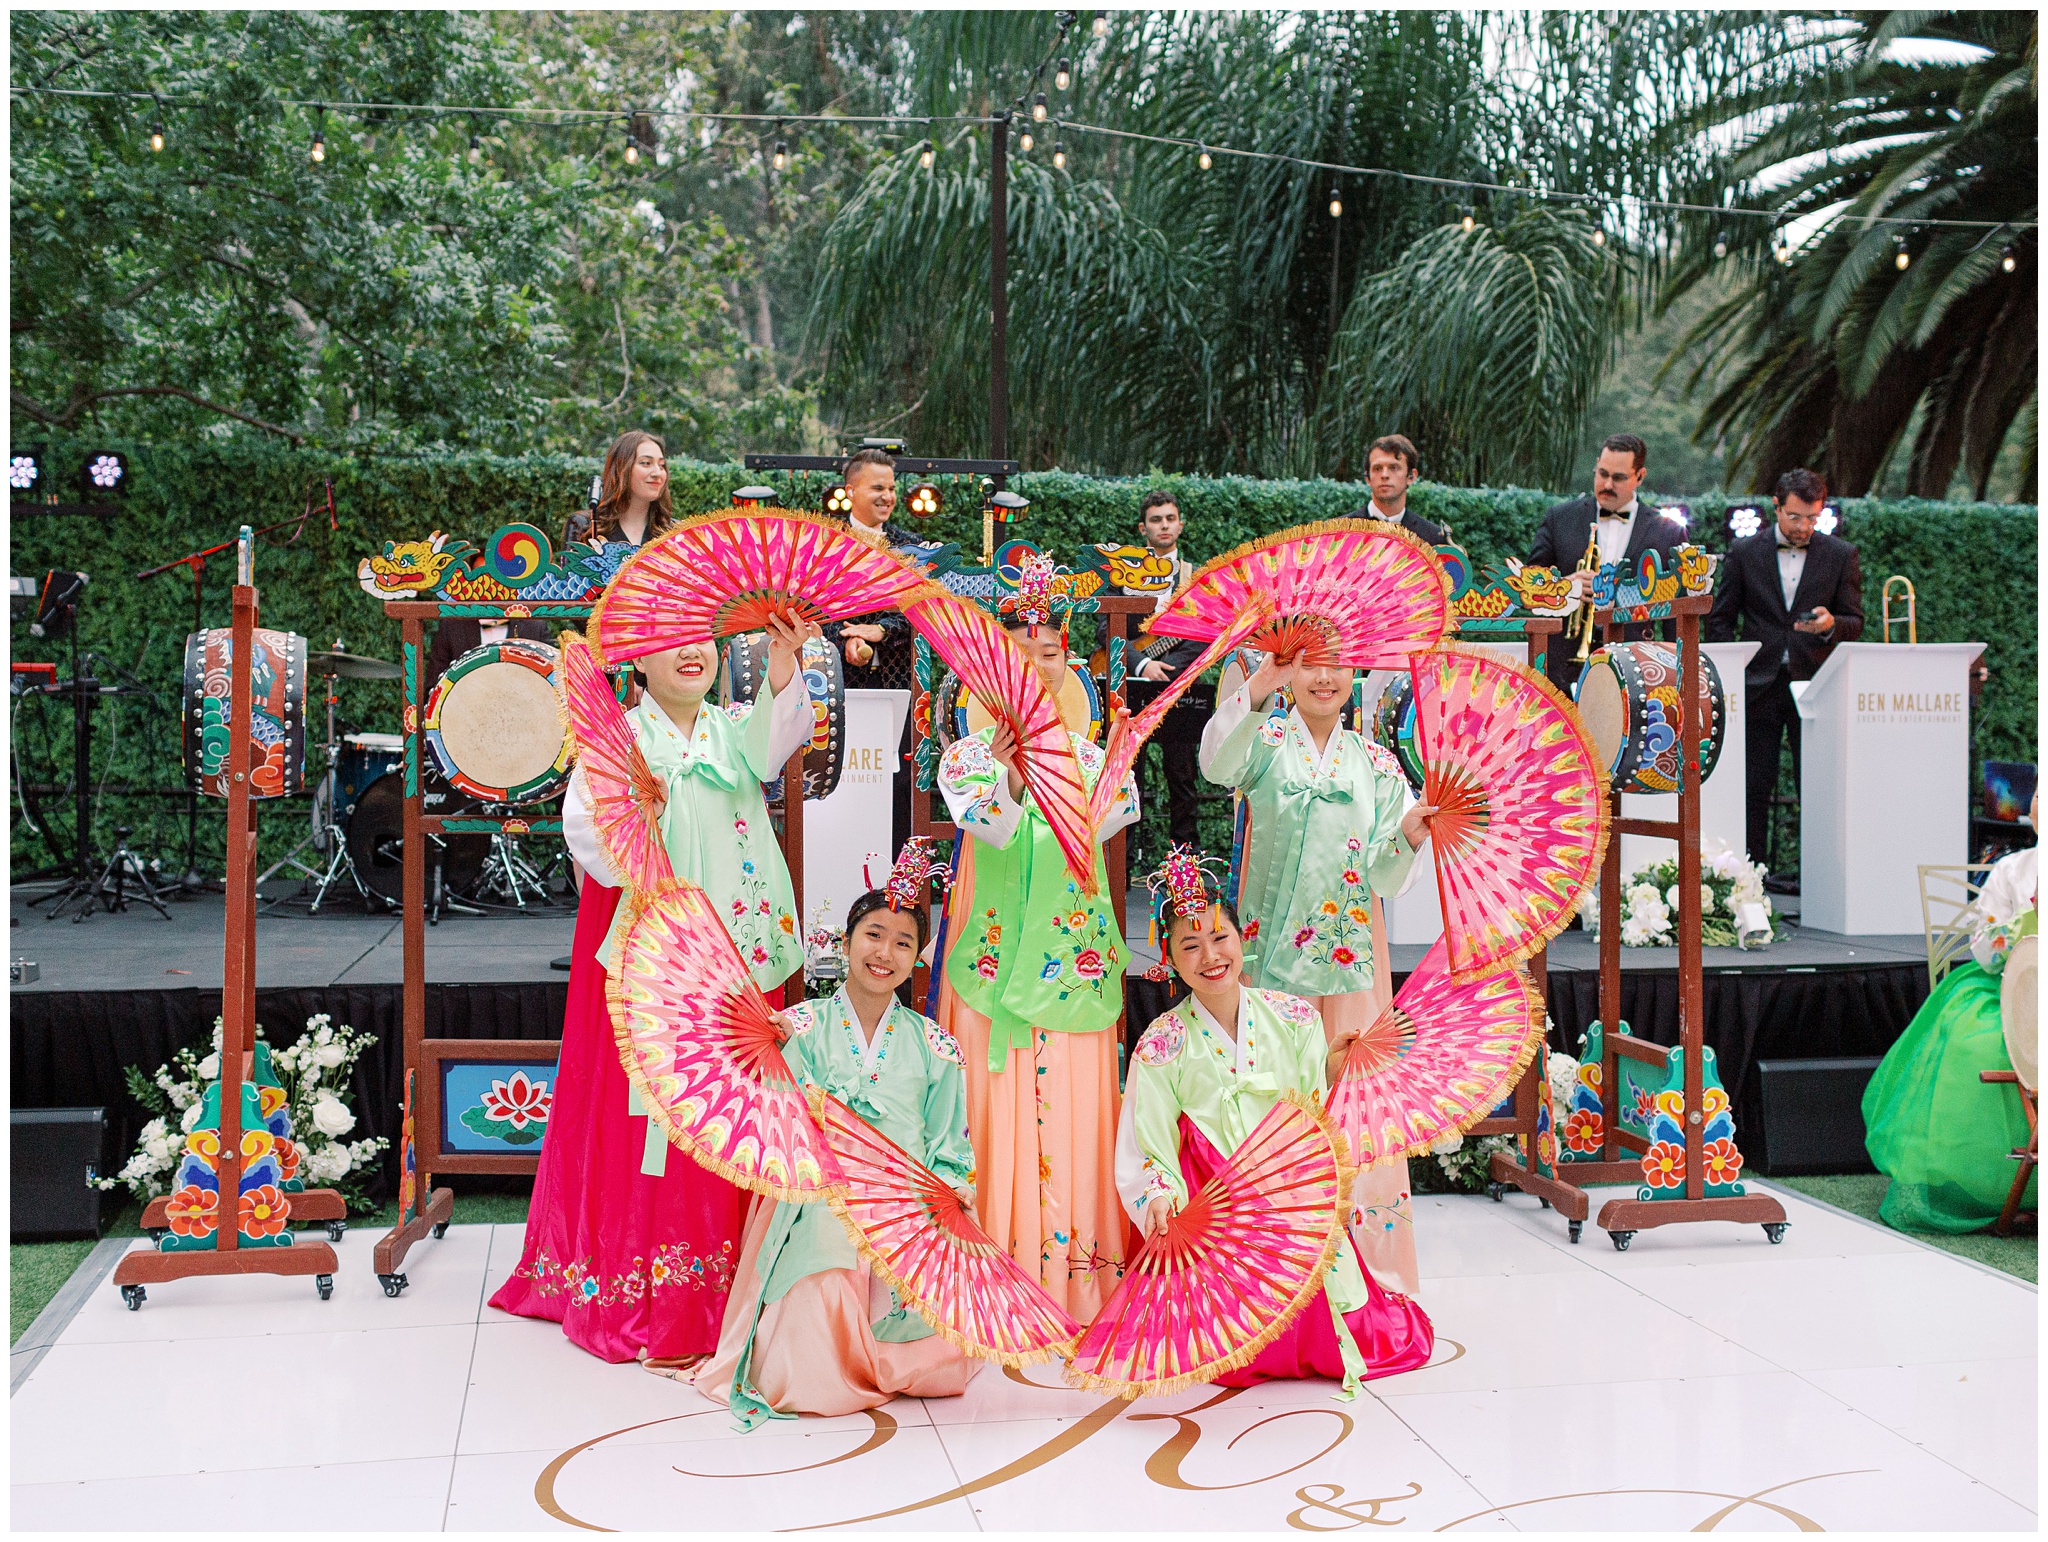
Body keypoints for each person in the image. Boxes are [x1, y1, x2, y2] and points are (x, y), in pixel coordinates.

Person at [489, 611, 818, 1368]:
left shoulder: (733, 729)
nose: (691, 653)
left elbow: (778, 739)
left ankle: (739, 1273)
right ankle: (648, 1279)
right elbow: (588, 842)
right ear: (638, 663)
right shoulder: (619, 741)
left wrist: (780, 658)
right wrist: (636, 815)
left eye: (700, 639)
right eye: (669, 643)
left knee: (735, 1105)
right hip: (659, 961)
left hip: (735, 953)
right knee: (657, 1120)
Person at [1117, 850, 1434, 1394]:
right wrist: (1160, 1194)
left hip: (1290, 1197)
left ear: (1243, 942)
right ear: (1169, 957)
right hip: (1217, 1212)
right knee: (1224, 1343)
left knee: (1350, 1331)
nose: (1210, 956)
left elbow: (1315, 1116)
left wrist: (1333, 1070)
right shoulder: (1162, 1042)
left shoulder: (1295, 1018)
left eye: (1221, 939)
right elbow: (1148, 1138)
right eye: (1189, 945)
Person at [696, 843, 979, 1428]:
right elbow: (774, 1118)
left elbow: (950, 1144)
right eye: (873, 935)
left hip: (905, 1190)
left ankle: (894, 1362)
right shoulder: (798, 1026)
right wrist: (768, 1051)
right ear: (845, 943)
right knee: (826, 1258)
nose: (886, 953)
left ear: (917, 959)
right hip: (820, 1184)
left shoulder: (938, 1047)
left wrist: (948, 1191)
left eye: (904, 943)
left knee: (928, 1284)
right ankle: (825, 1371)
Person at [933, 556, 1141, 1319]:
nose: (1034, 667)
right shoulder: (965, 757)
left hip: (1069, 954)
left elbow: (1106, 822)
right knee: (995, 1096)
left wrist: (1053, 772)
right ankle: (993, 1266)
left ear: (1067, 667)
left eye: (1048, 654)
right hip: (991, 945)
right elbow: (989, 825)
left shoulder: (1096, 759)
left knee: (1075, 1098)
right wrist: (1016, 776)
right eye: (1018, 657)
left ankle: (1077, 1271)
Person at [1198, 647, 1437, 1298]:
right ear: (1290, 672)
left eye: (1336, 664)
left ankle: (1364, 1274)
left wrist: (1411, 835)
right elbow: (1214, 763)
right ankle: (1264, 1272)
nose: (1323, 678)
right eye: (1307, 665)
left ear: (1353, 673)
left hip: (1352, 956)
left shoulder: (1378, 765)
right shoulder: (1264, 742)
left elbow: (1387, 876)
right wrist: (1254, 690)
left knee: (1354, 1102)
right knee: (1267, 1098)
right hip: (1270, 956)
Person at [1862, 800, 2038, 1232]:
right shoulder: (2013, 870)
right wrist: (2013, 934)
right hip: (2011, 987)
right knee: (1974, 1040)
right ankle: (1986, 1185)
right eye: (2038, 794)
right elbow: (1982, 944)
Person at [1706, 467, 1865, 870]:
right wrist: (1732, 669)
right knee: (1753, 786)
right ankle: (1749, 878)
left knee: (1815, 787)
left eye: (1812, 518)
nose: (1804, 527)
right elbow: (1720, 620)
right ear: (1775, 507)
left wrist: (1830, 625)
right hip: (1755, 685)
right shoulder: (1744, 553)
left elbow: (1855, 621)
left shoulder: (1840, 554)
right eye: (1795, 517)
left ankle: (1820, 882)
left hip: (1814, 687)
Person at [1527, 433, 1688, 694]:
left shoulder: (1666, 531)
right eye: (1602, 473)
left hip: (1636, 663)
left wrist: (1673, 673)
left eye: (1619, 477)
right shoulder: (1559, 518)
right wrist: (1564, 586)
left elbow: (1677, 615)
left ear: (1640, 476)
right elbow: (1529, 581)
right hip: (1562, 665)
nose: (1607, 484)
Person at [822, 447, 920, 853]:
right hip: (838, 685)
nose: (887, 496)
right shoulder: (825, 543)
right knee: (838, 783)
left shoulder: (914, 547)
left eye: (892, 488)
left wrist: (880, 632)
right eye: (877, 487)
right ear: (851, 490)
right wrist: (849, 639)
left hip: (899, 685)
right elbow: (812, 607)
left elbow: (920, 610)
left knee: (900, 786)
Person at [1121, 489, 1204, 858]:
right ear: (1143, 528)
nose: (1164, 525)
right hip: (1133, 690)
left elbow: (1205, 635)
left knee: (1182, 777)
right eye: (1156, 519)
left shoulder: (1195, 577)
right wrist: (1142, 663)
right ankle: (1120, 862)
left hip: (1178, 689)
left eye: (1170, 518)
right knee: (1127, 779)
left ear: (1181, 525)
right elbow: (1105, 634)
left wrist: (1170, 671)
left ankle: (1186, 862)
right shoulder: (1121, 574)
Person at [561, 429, 676, 550]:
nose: (657, 473)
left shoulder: (674, 533)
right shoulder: (585, 525)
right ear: (621, 469)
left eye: (662, 465)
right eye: (646, 463)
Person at [1345, 435, 1446, 545]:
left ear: (1411, 476)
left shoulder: (1433, 538)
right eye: (1377, 468)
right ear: (1367, 478)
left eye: (1394, 468)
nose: (1384, 475)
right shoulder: (1340, 532)